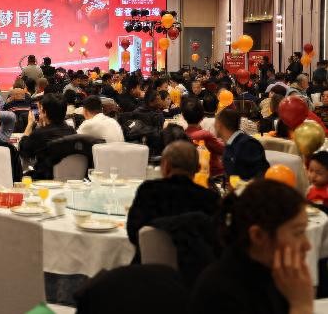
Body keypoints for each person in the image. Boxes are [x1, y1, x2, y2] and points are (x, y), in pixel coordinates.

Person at [190, 179, 312, 314]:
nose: (307, 246)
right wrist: (301, 306)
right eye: (298, 232)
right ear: (258, 235)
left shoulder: (275, 274)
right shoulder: (220, 293)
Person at [126, 141, 220, 259]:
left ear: (165, 166)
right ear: (198, 168)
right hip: (197, 267)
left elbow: (133, 233)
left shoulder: (148, 191)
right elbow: (217, 242)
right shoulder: (210, 198)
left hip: (150, 265)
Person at [19, 93, 76, 174]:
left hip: (44, 177)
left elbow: (24, 151)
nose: (39, 111)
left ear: (44, 112)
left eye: (40, 109)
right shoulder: (72, 131)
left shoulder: (39, 134)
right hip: (69, 174)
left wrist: (30, 124)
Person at [215, 108, 269, 180]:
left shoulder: (248, 145)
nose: (214, 126)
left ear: (219, 125)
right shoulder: (229, 145)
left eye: (215, 122)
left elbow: (261, 176)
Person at [181, 99, 225, 176]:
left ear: (184, 117)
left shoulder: (183, 134)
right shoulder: (204, 135)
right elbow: (223, 150)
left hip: (193, 174)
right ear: (202, 117)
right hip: (214, 173)